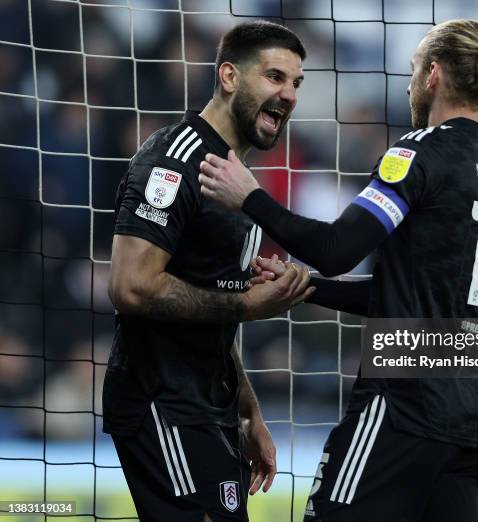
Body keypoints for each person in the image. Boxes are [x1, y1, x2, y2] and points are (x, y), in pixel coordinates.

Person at [198, 19, 478, 522]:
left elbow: (335, 248)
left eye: (415, 70)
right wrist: (308, 288)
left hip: (405, 401)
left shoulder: (419, 154)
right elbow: (411, 293)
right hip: (475, 413)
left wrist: (252, 198)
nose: (411, 83)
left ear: (434, 74)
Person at [102, 21, 312, 522]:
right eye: (275, 77)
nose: (289, 95)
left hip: (209, 407)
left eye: (297, 84)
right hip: (162, 405)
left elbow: (207, 304)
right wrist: (245, 304)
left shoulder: (235, 177)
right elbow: (130, 286)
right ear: (229, 77)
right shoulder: (173, 161)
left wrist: (246, 407)